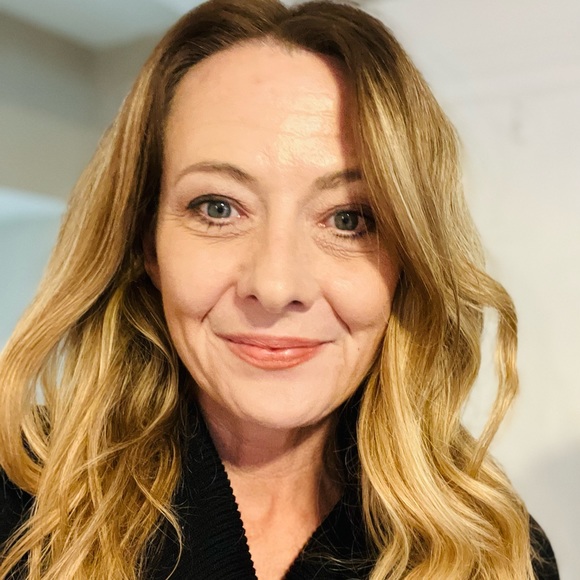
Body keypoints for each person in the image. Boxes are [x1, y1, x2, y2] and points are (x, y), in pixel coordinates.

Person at [0, 1, 559, 578]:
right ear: (148, 243)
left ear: (410, 260)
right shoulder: (18, 494)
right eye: (218, 208)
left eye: (348, 219)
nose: (274, 286)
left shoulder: (498, 552)